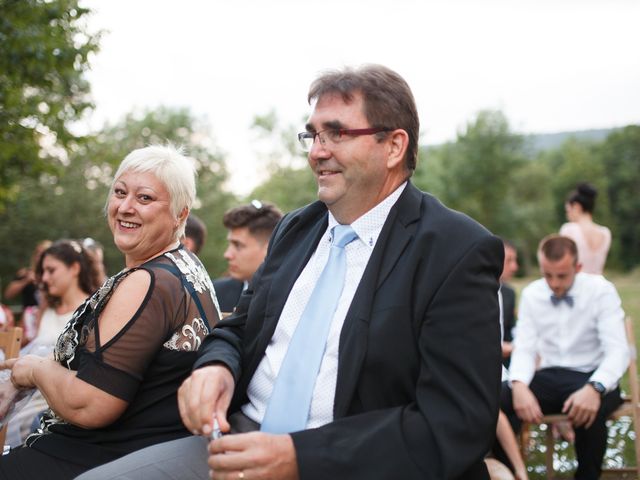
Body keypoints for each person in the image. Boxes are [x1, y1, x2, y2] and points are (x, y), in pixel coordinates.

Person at [77, 65, 503, 480]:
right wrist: (216, 368)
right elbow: (238, 330)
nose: (317, 151)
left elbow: (456, 422)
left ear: (393, 146)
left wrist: (300, 458)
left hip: (347, 463)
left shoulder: (455, 250)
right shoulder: (297, 229)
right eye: (313, 134)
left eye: (336, 133)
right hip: (236, 441)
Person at [0, 145, 221, 479]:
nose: (125, 207)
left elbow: (90, 405)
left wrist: (32, 372)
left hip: (99, 459)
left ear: (180, 214)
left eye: (145, 198)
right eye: (119, 192)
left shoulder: (149, 282)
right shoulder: (183, 267)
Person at [498, 235, 629, 479]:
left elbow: (618, 351)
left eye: (562, 276)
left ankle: (587, 476)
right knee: (496, 399)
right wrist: (518, 385)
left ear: (577, 268)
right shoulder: (532, 294)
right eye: (547, 275)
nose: (554, 283)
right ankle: (505, 471)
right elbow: (524, 349)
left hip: (592, 375)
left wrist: (595, 387)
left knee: (592, 409)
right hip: (549, 376)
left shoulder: (601, 291)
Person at [5, 239, 103, 447]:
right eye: (43, 272)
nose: (45, 278)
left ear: (74, 268)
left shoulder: (92, 311)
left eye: (51, 270)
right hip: (28, 386)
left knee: (25, 422)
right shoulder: (45, 310)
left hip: (57, 392)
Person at [212, 200, 282, 313]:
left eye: (238, 245)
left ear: (269, 248)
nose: (227, 254)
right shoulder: (215, 293)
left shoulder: (290, 298)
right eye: (230, 244)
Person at [560, 182, 611, 275]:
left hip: (577, 284)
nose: (567, 215)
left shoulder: (569, 229)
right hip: (599, 285)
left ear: (576, 207)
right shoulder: (605, 232)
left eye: (568, 211)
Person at [499, 239, 519, 367]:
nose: (515, 267)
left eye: (515, 260)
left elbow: (510, 330)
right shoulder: (472, 293)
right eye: (509, 260)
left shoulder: (509, 293)